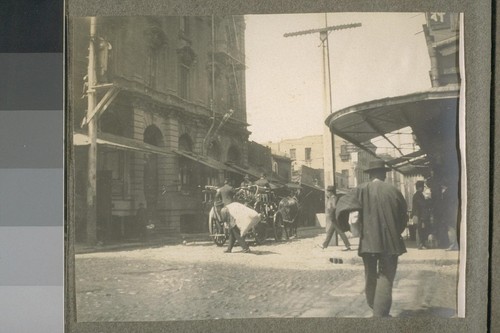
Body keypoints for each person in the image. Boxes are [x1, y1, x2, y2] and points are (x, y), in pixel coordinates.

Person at [340, 160, 408, 317]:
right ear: (384, 174)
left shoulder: (360, 190)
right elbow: (403, 218)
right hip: (390, 243)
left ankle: (374, 305)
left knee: (370, 274)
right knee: (386, 276)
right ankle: (380, 313)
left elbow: (350, 214)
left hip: (368, 243)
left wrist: (357, 232)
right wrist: (395, 231)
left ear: (370, 175)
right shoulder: (394, 191)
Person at [320, 186, 351, 251]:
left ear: (331, 192)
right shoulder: (331, 197)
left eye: (328, 191)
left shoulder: (333, 198)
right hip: (333, 217)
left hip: (333, 217)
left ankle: (347, 245)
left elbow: (334, 207)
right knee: (330, 232)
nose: (327, 193)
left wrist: (331, 215)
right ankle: (324, 245)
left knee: (340, 231)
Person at [411, 181, 431, 250]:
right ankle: (420, 245)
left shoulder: (419, 194)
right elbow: (422, 204)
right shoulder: (418, 195)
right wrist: (428, 201)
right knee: (419, 229)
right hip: (418, 215)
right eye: (422, 187)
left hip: (419, 214)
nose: (423, 188)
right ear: (419, 187)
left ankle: (422, 244)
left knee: (421, 229)